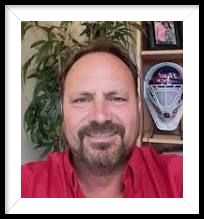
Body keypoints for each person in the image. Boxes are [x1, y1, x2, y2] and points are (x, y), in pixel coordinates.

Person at [21, 38, 183, 198]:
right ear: (63, 109)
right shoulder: (24, 186)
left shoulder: (179, 180)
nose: (100, 116)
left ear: (138, 107)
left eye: (117, 98)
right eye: (81, 100)